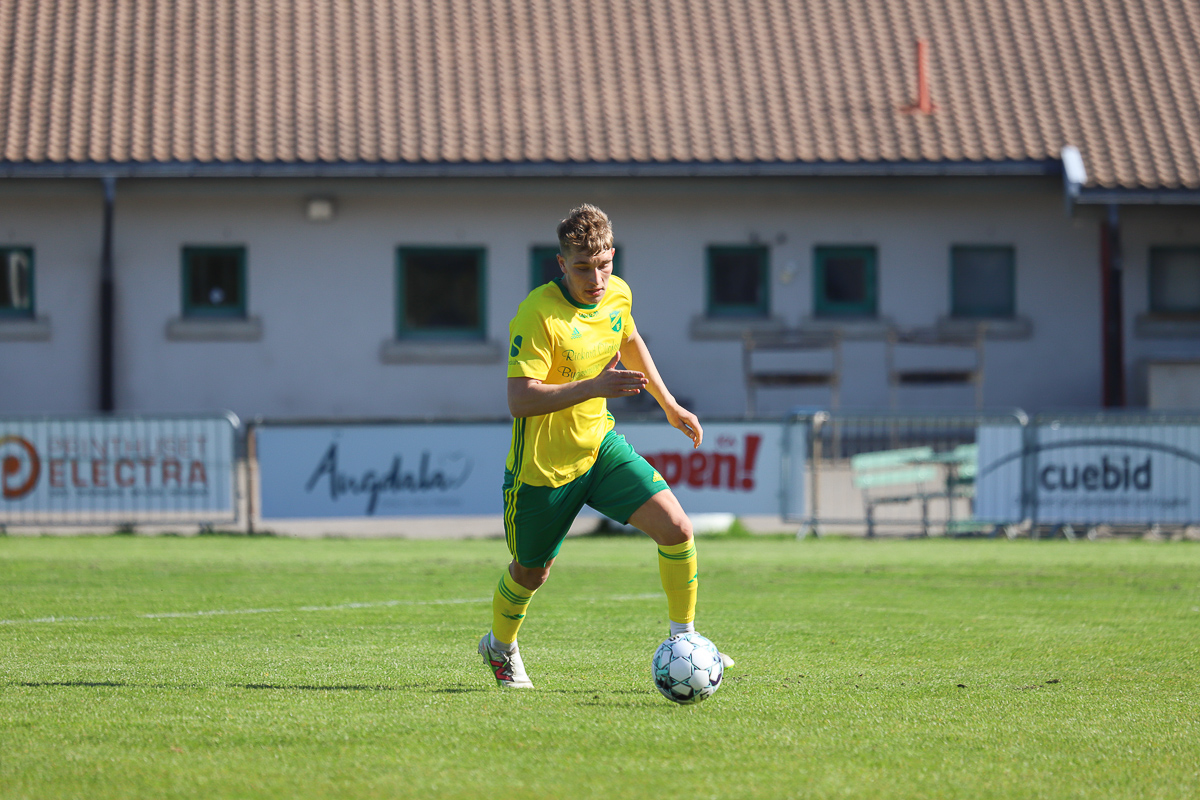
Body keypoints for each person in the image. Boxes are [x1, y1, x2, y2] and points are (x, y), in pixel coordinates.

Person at [479, 204, 727, 688]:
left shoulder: (618, 294)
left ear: (612, 255)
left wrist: (668, 403)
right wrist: (593, 386)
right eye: (582, 268)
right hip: (544, 470)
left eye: (604, 265)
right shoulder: (538, 314)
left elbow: (629, 339)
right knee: (531, 573)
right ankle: (500, 646)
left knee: (677, 529)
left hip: (600, 448)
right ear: (561, 264)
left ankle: (685, 641)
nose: (596, 279)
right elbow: (519, 399)